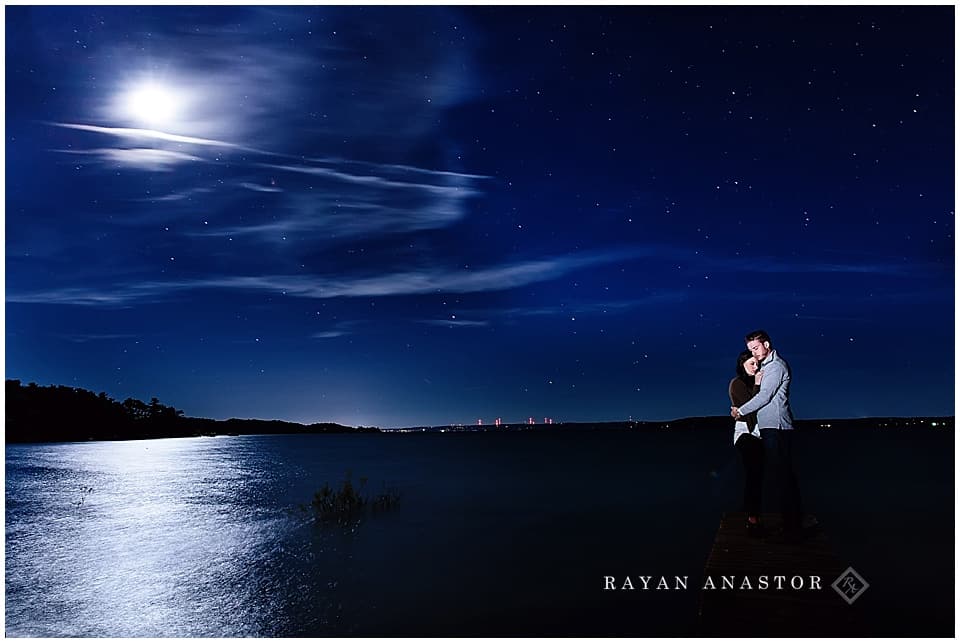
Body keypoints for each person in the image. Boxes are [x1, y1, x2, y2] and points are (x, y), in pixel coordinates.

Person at [730, 329, 804, 543]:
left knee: (784, 478)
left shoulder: (775, 367)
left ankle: (792, 528)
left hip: (777, 427)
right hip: (768, 429)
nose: (754, 353)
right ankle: (790, 524)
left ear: (767, 344)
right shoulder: (764, 368)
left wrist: (739, 411)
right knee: (781, 477)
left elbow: (764, 396)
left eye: (755, 348)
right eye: (750, 350)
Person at [729, 350, 764, 536]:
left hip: (761, 433)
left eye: (757, 363)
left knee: (759, 474)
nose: (755, 366)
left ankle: (754, 513)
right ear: (742, 364)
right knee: (754, 472)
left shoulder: (760, 381)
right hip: (745, 434)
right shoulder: (737, 383)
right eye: (751, 363)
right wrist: (758, 384)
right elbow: (751, 408)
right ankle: (752, 517)